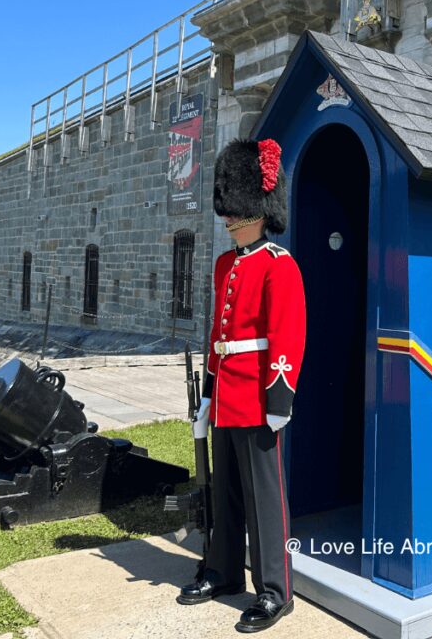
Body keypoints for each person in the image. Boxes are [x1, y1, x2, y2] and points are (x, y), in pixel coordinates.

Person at [177, 137, 306, 634]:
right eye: (228, 213)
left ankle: (275, 590)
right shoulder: (225, 265)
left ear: (259, 209)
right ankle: (223, 570)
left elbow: (287, 335)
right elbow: (218, 334)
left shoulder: (279, 265)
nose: (229, 220)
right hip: (227, 393)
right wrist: (208, 395)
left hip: (258, 396)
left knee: (264, 499)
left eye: (237, 213)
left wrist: (280, 397)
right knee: (225, 491)